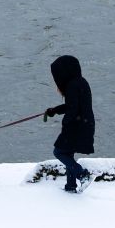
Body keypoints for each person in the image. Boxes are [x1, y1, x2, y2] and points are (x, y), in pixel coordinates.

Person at [44, 54, 95, 193]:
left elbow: (72, 108)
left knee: (59, 152)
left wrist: (65, 123)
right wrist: (54, 110)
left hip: (76, 126)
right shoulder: (80, 82)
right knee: (67, 153)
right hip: (84, 124)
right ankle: (71, 186)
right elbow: (71, 105)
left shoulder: (72, 85)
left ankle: (83, 175)